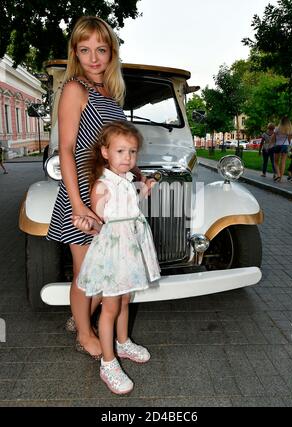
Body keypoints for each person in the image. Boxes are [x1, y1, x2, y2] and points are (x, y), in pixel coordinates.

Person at [47, 16, 133, 359]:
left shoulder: (111, 94)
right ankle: (84, 333)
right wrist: (78, 205)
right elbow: (66, 149)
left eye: (101, 49)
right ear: (75, 53)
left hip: (108, 197)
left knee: (108, 268)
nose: (94, 58)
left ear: (111, 52)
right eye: (85, 50)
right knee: (87, 272)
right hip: (80, 194)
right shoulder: (75, 89)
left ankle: (79, 317)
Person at [72, 120, 160, 395]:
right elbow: (101, 226)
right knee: (110, 307)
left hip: (130, 251)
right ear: (106, 152)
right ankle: (108, 362)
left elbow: (131, 207)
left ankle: (123, 342)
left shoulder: (126, 181)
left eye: (132, 152)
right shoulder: (102, 186)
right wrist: (87, 225)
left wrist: (146, 187)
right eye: (121, 151)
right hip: (113, 255)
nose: (128, 158)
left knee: (125, 299)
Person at [271, 116, 292, 182]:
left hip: (277, 145)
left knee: (275, 162)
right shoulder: (289, 130)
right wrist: (289, 147)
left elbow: (273, 138)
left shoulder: (277, 129)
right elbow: (289, 140)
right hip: (285, 145)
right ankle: (280, 178)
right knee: (283, 162)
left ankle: (278, 174)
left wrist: (271, 144)